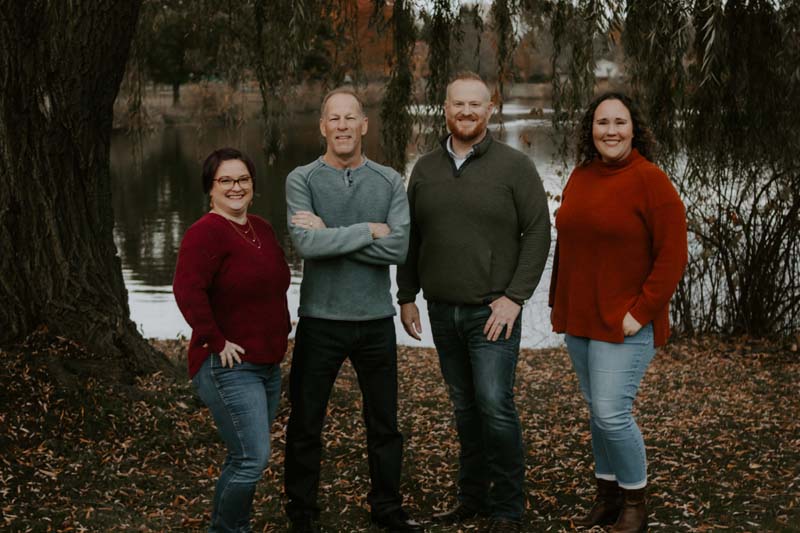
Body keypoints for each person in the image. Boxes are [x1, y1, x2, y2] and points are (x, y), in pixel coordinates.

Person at [396, 72, 551, 533]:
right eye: (457, 104)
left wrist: (515, 297)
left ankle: (507, 507)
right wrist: (406, 296)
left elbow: (539, 233)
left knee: (494, 403)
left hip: (492, 313)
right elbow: (412, 236)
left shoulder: (514, 167)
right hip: (443, 311)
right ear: (444, 109)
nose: (466, 112)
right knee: (465, 407)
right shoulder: (423, 168)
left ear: (490, 110)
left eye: (475, 105)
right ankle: (472, 498)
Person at [283, 87, 421, 533]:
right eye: (334, 119)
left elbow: (399, 247)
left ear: (364, 125)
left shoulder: (388, 180)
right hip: (319, 321)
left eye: (350, 118)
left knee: (384, 424)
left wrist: (333, 236)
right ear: (323, 127)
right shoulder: (301, 179)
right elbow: (306, 244)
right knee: (306, 423)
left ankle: (387, 508)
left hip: (374, 322)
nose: (342, 126)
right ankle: (301, 514)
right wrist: (367, 231)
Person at [549, 92, 688, 533]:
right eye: (602, 122)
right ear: (590, 130)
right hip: (582, 319)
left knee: (612, 413)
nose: (611, 131)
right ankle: (606, 496)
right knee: (597, 411)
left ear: (634, 129)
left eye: (620, 123)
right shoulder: (581, 176)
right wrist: (560, 302)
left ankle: (634, 502)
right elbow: (570, 242)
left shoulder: (652, 181)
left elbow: (673, 256)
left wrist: (642, 312)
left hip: (625, 322)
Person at [173, 147, 292, 533]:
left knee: (242, 456)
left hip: (266, 363)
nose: (236, 187)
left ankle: (231, 526)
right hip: (228, 366)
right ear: (211, 187)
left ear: (253, 185)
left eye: (243, 179)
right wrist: (216, 340)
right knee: (253, 459)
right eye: (226, 180)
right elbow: (187, 290)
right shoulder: (204, 232)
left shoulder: (261, 227)